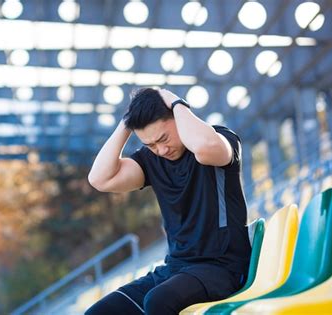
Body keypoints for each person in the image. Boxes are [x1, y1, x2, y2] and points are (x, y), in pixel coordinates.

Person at [86, 88, 251, 315]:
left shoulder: (220, 139)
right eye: (151, 145)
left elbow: (204, 148)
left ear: (177, 117)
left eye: (163, 138)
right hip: (176, 269)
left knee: (159, 301)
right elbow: (100, 179)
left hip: (222, 266)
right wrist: (128, 121)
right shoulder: (151, 160)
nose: (161, 150)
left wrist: (175, 101)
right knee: (101, 312)